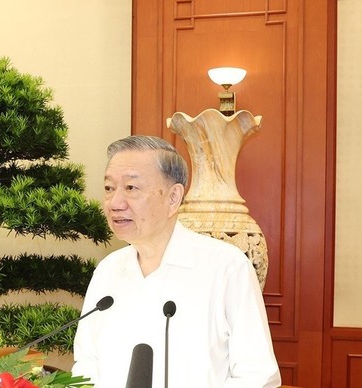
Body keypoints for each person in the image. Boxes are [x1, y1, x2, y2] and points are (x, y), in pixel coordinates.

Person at [72, 135, 280, 387]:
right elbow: (86, 363)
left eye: (131, 188)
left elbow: (257, 375)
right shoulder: (107, 270)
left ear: (173, 198)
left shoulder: (226, 267)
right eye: (108, 188)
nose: (115, 203)